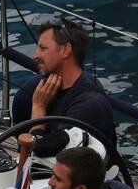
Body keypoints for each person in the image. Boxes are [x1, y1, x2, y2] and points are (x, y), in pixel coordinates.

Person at [11, 18, 116, 160]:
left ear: (65, 50)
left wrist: (39, 107)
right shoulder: (32, 91)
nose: (35, 56)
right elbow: (23, 146)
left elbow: (41, 150)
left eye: (43, 48)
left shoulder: (90, 103)